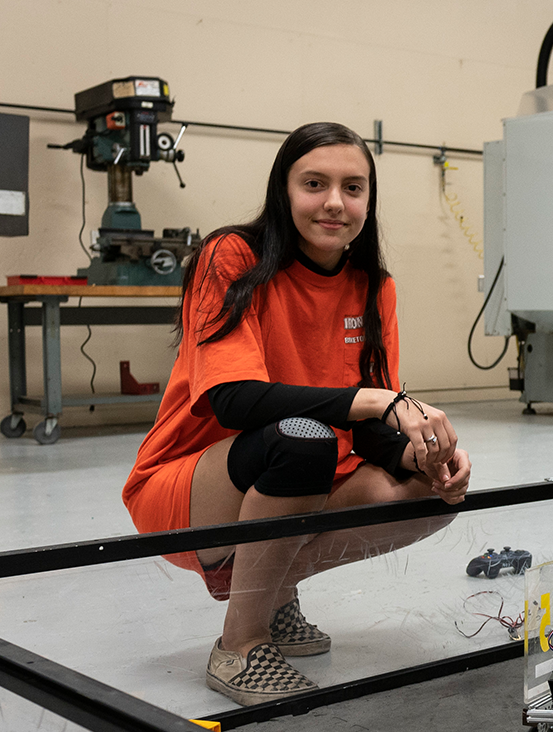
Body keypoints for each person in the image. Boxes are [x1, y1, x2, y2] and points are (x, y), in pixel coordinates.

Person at [122, 122, 472, 706]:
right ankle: (241, 640)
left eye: (353, 188)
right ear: (284, 191)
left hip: (294, 473)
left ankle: (272, 594)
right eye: (315, 183)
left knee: (432, 490)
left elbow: (368, 426)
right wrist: (372, 401)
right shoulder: (231, 256)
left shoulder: (372, 286)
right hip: (187, 486)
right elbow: (233, 399)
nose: (335, 202)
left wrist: (417, 454)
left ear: (369, 200)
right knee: (302, 440)